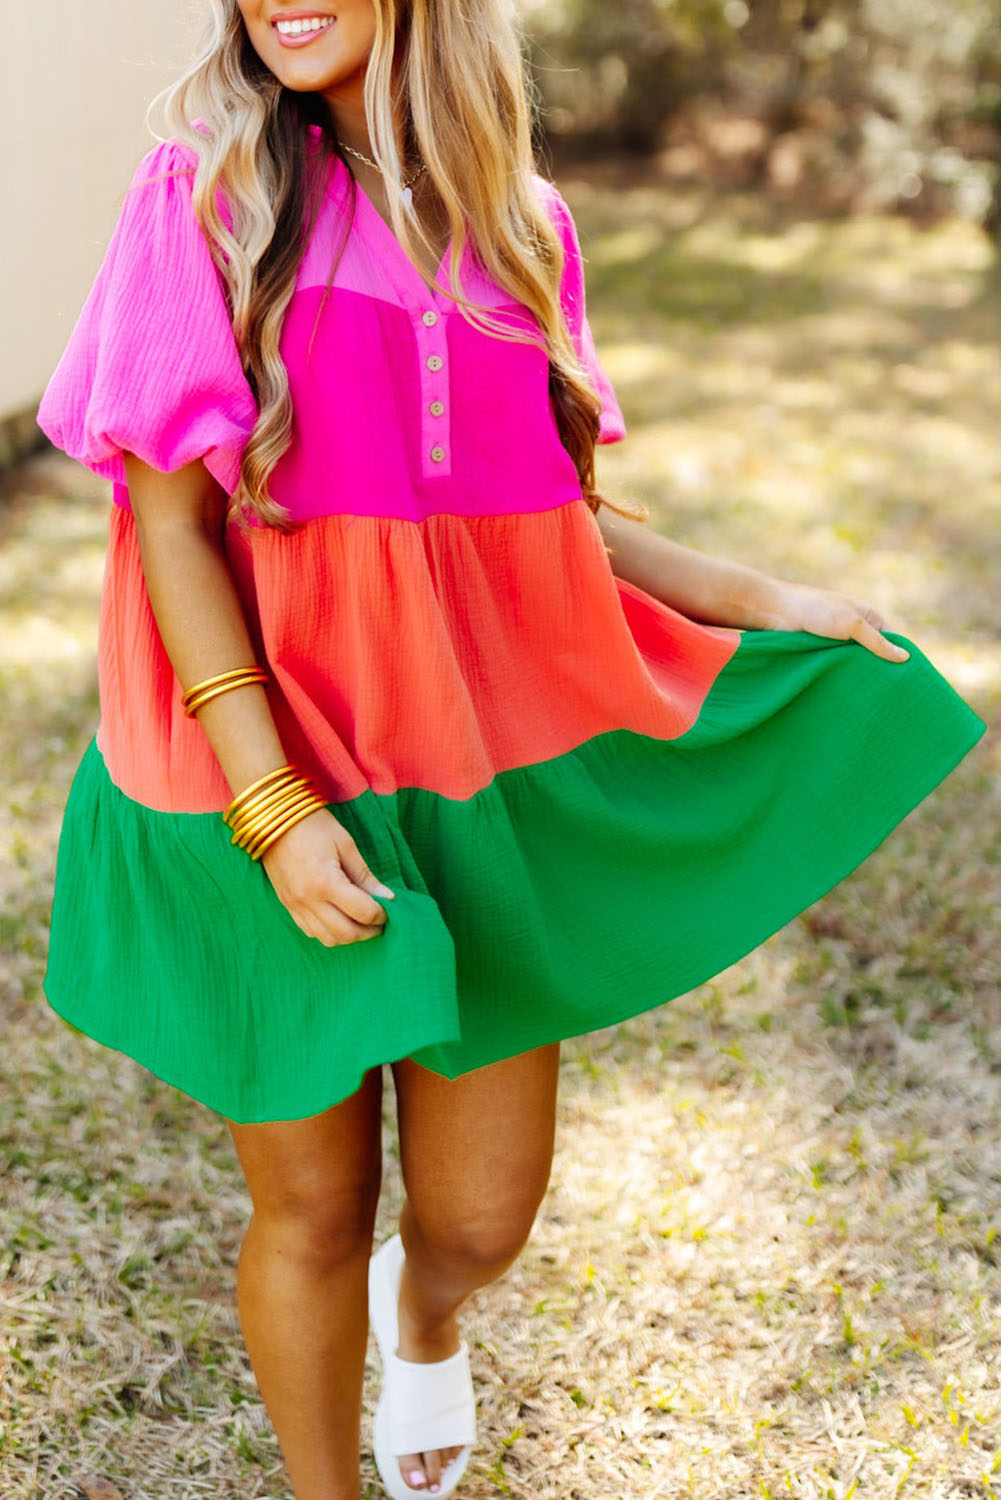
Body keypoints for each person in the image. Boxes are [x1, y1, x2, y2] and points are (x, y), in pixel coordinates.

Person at [36, 1, 984, 1498]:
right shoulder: (206, 196)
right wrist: (272, 804)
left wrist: (764, 598)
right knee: (313, 1206)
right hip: (252, 764)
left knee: (481, 1220)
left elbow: (549, 515)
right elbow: (170, 526)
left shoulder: (520, 227)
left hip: (463, 766)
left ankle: (423, 1317)